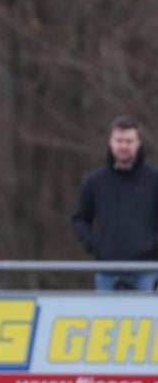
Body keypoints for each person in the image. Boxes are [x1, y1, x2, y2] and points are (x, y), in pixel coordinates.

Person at [73, 115, 158, 291]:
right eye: (119, 140)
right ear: (110, 142)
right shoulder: (95, 181)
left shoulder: (154, 179)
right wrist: (94, 244)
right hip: (107, 272)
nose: (123, 146)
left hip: (148, 271)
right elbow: (80, 218)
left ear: (138, 143)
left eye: (129, 141)